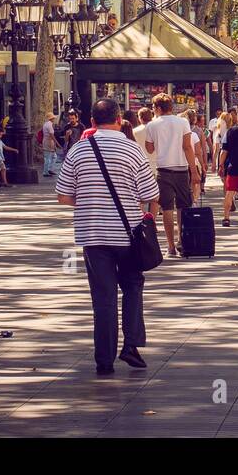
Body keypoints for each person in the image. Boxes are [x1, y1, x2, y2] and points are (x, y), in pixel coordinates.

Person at [55, 97, 159, 375]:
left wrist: (89, 200)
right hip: (128, 235)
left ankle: (104, 359)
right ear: (119, 120)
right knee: (133, 285)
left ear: (91, 122)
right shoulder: (132, 150)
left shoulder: (78, 151)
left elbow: (63, 196)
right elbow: (150, 195)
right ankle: (132, 345)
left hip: (93, 234)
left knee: (103, 297)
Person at [146, 94, 198, 258]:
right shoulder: (182, 122)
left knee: (167, 208)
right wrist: (194, 171)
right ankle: (182, 241)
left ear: (159, 108)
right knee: (183, 206)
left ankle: (170, 246)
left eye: (154, 107)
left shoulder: (152, 125)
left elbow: (149, 149)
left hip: (163, 170)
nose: (153, 110)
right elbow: (188, 147)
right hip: (182, 169)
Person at [41, 111, 60, 178]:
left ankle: (49, 169)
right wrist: (57, 144)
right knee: (48, 157)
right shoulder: (49, 125)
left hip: (47, 141)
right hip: (48, 142)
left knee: (52, 156)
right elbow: (52, 135)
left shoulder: (45, 124)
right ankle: (46, 171)